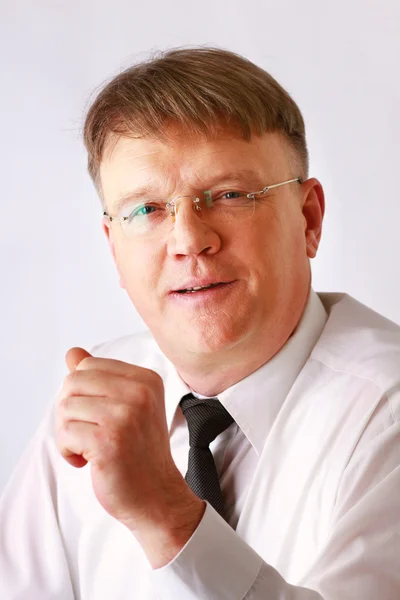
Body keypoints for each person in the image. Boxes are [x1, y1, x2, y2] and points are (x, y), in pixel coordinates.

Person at [0, 47, 399, 600]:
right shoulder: (92, 406)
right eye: (146, 209)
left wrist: (167, 514)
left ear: (308, 220)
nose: (190, 241)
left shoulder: (387, 411)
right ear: (114, 250)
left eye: (231, 195)